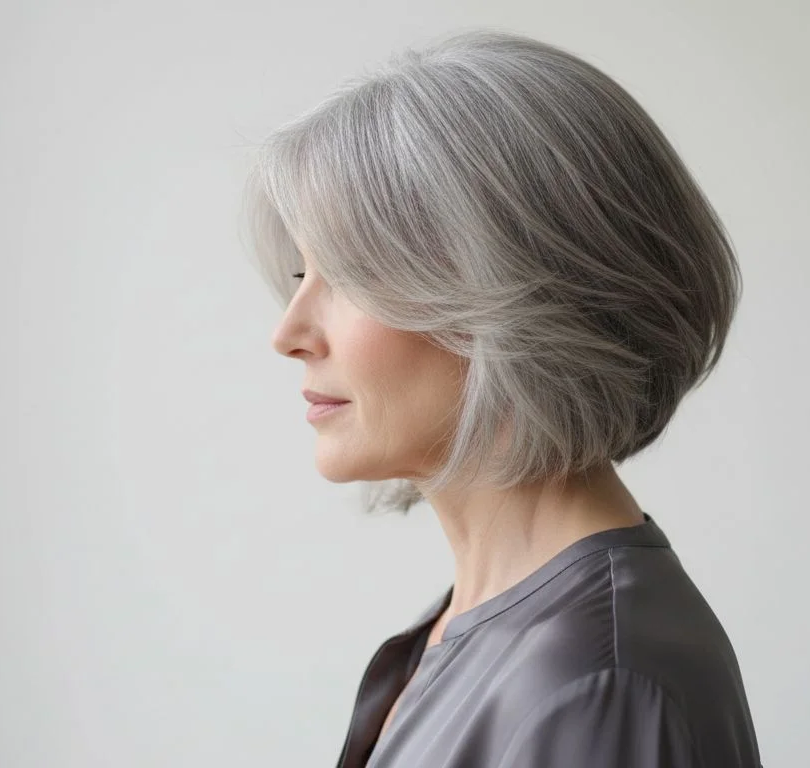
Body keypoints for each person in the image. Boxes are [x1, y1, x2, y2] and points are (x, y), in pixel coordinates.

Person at [243, 27, 762, 768]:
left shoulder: (591, 684)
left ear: (518, 296)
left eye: (353, 275)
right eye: (301, 275)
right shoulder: (490, 633)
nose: (288, 331)